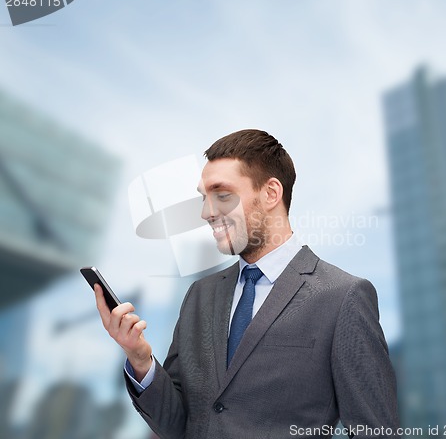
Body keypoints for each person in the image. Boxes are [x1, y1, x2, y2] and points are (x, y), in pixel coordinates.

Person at [95, 129, 400, 439]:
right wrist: (140, 358)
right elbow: (178, 425)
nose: (207, 212)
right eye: (205, 197)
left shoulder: (341, 297)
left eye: (222, 195)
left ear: (270, 194)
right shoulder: (200, 295)